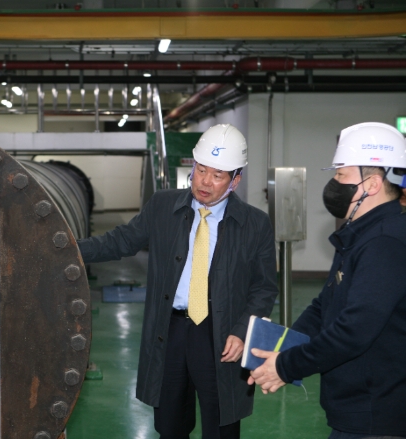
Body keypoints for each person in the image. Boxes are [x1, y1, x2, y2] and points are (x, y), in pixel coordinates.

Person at [78, 124, 278, 439]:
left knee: (222, 423)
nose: (205, 181)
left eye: (217, 175)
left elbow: (264, 288)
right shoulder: (163, 206)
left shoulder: (255, 224)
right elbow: (120, 241)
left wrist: (242, 331)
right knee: (170, 424)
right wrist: (68, 249)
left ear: (235, 181)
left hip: (221, 335)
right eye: (201, 170)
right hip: (169, 332)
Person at [248, 122, 406, 439]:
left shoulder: (385, 243)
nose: (333, 184)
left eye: (341, 176)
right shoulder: (359, 234)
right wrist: (284, 347)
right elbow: (325, 305)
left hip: (376, 413)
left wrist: (286, 366)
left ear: (371, 184)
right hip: (355, 406)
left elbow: (354, 330)